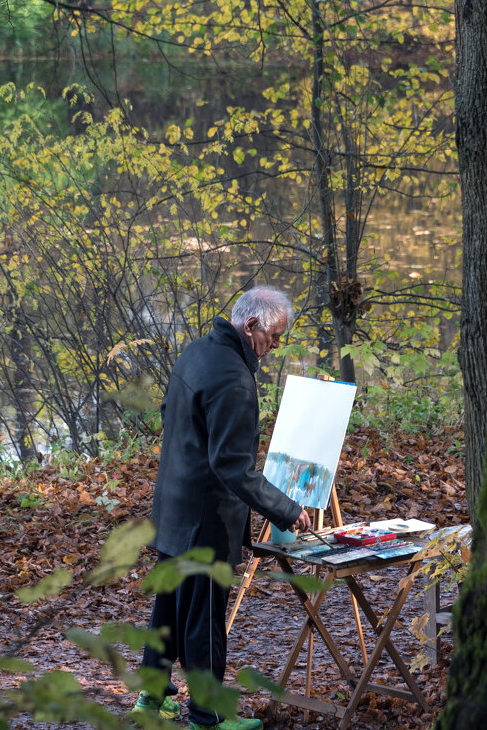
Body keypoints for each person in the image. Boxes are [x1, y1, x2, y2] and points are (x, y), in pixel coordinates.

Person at [131, 286, 312, 730]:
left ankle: (150, 698)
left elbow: (168, 413)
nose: (272, 348)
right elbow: (232, 467)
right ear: (250, 327)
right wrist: (285, 508)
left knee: (170, 606)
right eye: (272, 338)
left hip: (173, 505)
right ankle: (207, 718)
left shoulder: (196, 352)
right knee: (205, 620)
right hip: (205, 518)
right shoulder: (233, 376)